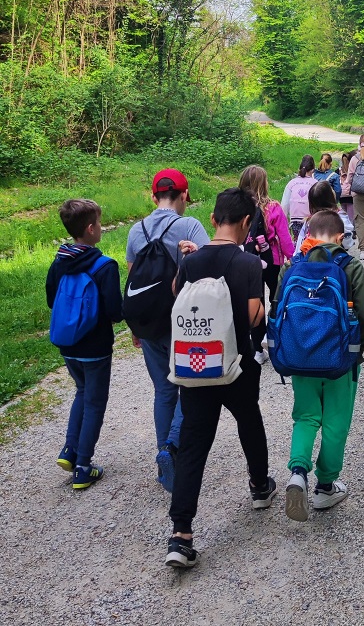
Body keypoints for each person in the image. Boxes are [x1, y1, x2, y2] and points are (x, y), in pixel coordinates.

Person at [166, 187, 276, 569]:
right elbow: (253, 317)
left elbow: (177, 297)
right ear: (246, 222)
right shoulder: (248, 264)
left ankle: (181, 535)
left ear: (212, 220)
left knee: (194, 444)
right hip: (236, 367)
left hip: (197, 368)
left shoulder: (191, 262)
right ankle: (259, 486)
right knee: (249, 422)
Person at [281, 209, 364, 522]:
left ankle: (297, 473)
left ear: (308, 234)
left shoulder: (293, 266)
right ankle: (324, 486)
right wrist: (360, 349)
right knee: (336, 421)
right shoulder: (350, 266)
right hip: (339, 360)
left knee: (306, 416)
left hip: (300, 357)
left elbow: (279, 309)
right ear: (340, 237)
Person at [126, 169, 210, 492]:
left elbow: (133, 282)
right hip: (183, 323)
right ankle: (172, 448)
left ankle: (165, 466)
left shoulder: (136, 230)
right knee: (190, 386)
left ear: (153, 197)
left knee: (163, 390)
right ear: (185, 195)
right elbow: (209, 272)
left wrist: (135, 327)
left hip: (149, 324)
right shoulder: (189, 226)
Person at [46, 199, 122, 489]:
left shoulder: (60, 261)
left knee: (81, 392)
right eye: (99, 223)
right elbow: (115, 311)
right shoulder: (104, 266)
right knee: (95, 402)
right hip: (95, 348)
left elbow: (52, 300)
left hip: (68, 346)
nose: (101, 228)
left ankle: (70, 449)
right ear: (90, 229)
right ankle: (83, 466)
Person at [239, 165, 294, 365]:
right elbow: (285, 238)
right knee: (276, 298)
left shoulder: (239, 209)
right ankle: (272, 336)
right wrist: (293, 258)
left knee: (255, 301)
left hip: (248, 261)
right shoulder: (273, 207)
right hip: (272, 261)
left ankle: (257, 349)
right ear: (263, 184)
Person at [294, 181, 355, 253]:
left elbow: (299, 246)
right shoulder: (339, 218)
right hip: (335, 257)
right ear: (330, 196)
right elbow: (348, 243)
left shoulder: (309, 222)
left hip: (312, 258)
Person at [281, 155, 317, 242]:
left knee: (298, 242)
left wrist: (284, 223)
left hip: (294, 220)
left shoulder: (291, 183)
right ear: (313, 169)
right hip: (310, 220)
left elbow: (284, 205)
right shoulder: (315, 184)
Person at [339, 150, 357, 229]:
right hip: (350, 196)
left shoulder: (338, 170)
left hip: (341, 196)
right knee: (351, 216)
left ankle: (344, 229)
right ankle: (352, 230)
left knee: (343, 215)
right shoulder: (353, 170)